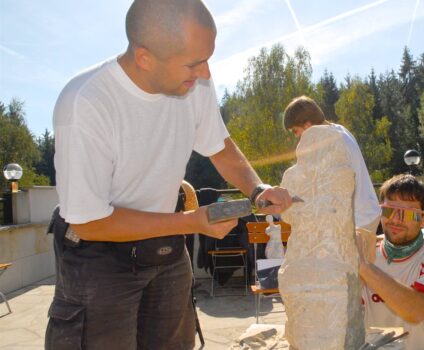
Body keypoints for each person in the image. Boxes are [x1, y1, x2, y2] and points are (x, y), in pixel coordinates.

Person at [47, 1, 292, 349]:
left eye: (208, 59)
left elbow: (219, 146)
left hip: (166, 246)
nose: (205, 73)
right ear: (145, 57)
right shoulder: (85, 103)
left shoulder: (194, 80)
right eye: (194, 63)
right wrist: (192, 222)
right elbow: (89, 222)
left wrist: (257, 189)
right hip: (97, 255)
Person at [358, 174, 424, 349]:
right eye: (388, 210)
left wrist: (363, 267)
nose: (395, 219)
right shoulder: (367, 253)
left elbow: (417, 311)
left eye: (408, 213)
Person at [283, 95, 381, 233]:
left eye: (296, 131)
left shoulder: (328, 144)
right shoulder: (339, 130)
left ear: (308, 125)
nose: (296, 136)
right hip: (367, 214)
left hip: (355, 222)